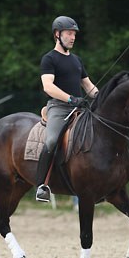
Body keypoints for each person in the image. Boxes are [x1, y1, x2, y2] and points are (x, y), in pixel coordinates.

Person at [36, 16, 99, 202]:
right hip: (59, 107)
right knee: (52, 140)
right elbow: (48, 86)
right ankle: (41, 185)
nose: (73, 37)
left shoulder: (76, 60)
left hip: (80, 107)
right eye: (69, 33)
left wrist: (102, 97)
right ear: (57, 34)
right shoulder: (49, 58)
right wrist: (71, 99)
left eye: (74, 34)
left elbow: (88, 86)